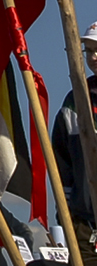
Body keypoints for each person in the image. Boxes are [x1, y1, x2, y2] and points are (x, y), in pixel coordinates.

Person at [49, 21, 97, 229]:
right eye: (89, 51)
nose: (93, 57)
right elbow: (62, 161)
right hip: (84, 221)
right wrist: (66, 213)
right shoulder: (75, 101)